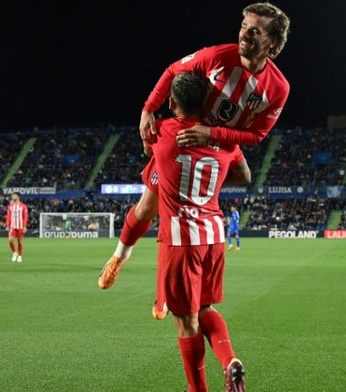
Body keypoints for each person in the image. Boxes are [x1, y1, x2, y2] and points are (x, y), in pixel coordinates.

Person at [99, 2, 290, 289]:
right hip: (186, 136)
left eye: (255, 31)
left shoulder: (278, 88)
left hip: (222, 142)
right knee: (147, 208)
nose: (245, 35)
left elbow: (258, 135)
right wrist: (148, 108)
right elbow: (172, 70)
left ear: (272, 42)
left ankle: (178, 286)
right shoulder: (217, 56)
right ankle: (118, 257)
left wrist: (213, 134)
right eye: (243, 27)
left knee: (244, 178)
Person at [148, 72, 251, 392]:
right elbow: (245, 176)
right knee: (205, 308)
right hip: (213, 234)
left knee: (185, 319)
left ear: (172, 102)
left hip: (181, 238)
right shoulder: (226, 139)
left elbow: (147, 132)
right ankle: (230, 361)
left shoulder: (162, 133)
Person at [6, 192, 28, 262]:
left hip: (20, 227)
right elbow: (8, 216)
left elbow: (25, 217)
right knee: (10, 240)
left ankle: (19, 256)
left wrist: (24, 226)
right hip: (13, 227)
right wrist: (7, 225)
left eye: (14, 196)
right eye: (12, 196)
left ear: (18, 197)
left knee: (20, 242)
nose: (12, 197)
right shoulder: (10, 206)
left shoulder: (23, 206)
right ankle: (14, 252)